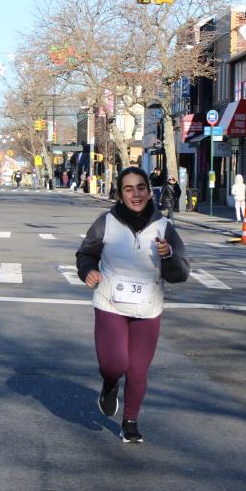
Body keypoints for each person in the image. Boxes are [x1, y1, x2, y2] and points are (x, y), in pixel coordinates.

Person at [76, 166, 190, 443]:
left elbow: (181, 274)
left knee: (138, 370)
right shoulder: (105, 223)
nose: (135, 194)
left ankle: (130, 422)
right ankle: (110, 383)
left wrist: (168, 255)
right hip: (110, 304)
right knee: (114, 365)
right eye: (128, 189)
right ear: (120, 195)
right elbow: (85, 254)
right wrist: (88, 270)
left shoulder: (164, 227)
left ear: (150, 193)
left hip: (148, 308)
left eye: (141, 188)